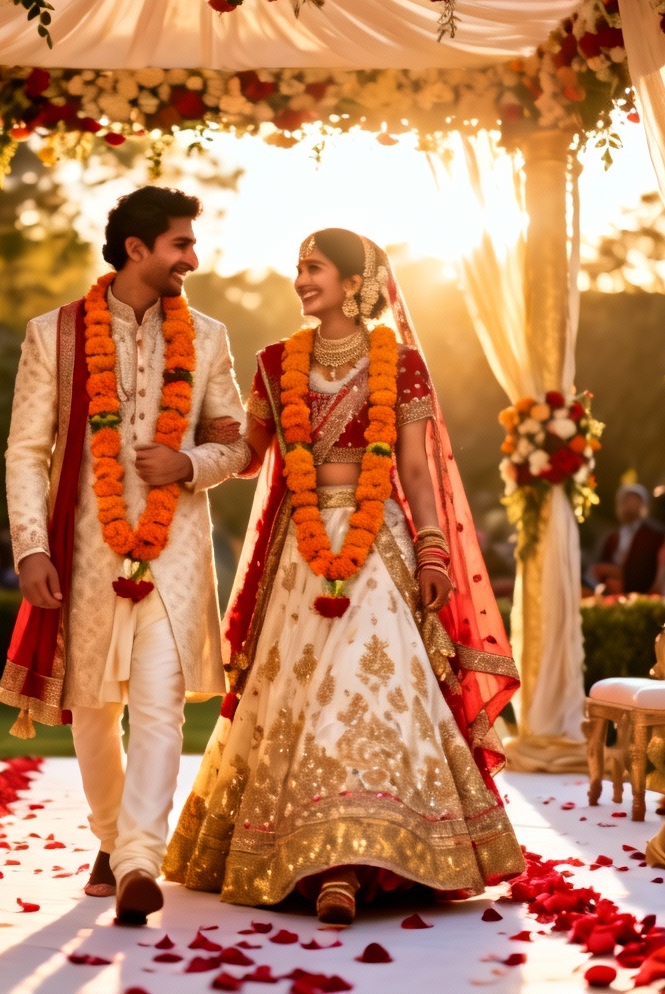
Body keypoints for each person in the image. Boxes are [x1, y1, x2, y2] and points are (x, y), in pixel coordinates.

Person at [163, 229, 526, 926]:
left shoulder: (404, 366)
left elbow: (416, 472)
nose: (300, 280)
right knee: (301, 696)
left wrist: (430, 552)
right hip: (298, 552)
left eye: (315, 269)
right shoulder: (275, 363)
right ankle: (321, 858)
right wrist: (185, 454)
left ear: (356, 281)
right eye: (298, 268)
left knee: (367, 687)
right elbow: (248, 454)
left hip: (378, 547)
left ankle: (353, 864)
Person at [0, 186, 250, 925]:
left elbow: (237, 443)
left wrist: (190, 464)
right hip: (83, 548)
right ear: (137, 249)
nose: (191, 259)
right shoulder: (56, 335)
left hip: (175, 547)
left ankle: (139, 856)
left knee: (160, 703)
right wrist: (29, 548)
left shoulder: (207, 336)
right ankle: (112, 834)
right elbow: (25, 451)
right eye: (179, 244)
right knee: (93, 710)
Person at [588, 483, 665, 596]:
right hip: (612, 593)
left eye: (634, 501)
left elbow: (648, 570)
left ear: (643, 505)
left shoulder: (652, 536)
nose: (630, 505)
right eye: (626, 501)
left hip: (639, 593)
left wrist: (621, 575)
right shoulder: (613, 537)